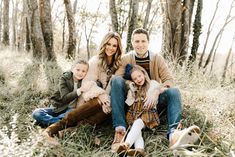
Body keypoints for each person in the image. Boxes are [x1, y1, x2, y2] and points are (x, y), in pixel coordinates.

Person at [111, 28, 200, 151]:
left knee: (174, 92)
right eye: (137, 41)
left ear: (148, 42)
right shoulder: (126, 59)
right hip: (132, 101)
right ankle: (120, 130)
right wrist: (131, 85)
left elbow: (169, 80)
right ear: (132, 42)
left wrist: (157, 91)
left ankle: (174, 134)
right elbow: (117, 79)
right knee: (115, 81)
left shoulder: (157, 58)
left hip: (152, 101)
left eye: (143, 41)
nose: (140, 45)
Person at [43, 32, 124, 138]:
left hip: (106, 102)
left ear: (118, 48)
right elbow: (88, 84)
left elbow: (116, 84)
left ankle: (69, 131)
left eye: (114, 45)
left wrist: (106, 102)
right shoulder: (95, 61)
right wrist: (101, 95)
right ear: (104, 44)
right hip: (88, 99)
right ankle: (54, 127)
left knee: (108, 109)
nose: (111, 48)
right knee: (98, 102)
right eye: (108, 44)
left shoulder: (118, 63)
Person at [116, 64, 161, 157]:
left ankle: (126, 144)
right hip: (134, 113)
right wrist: (131, 93)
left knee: (138, 123)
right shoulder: (134, 88)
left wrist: (156, 92)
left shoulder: (152, 84)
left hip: (148, 113)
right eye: (135, 79)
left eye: (139, 76)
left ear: (144, 74)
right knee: (136, 130)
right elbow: (129, 103)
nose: (138, 79)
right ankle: (139, 150)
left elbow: (161, 88)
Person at [32, 59, 89, 127]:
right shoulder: (64, 78)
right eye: (78, 70)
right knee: (36, 113)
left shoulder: (85, 81)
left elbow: (97, 83)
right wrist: (79, 91)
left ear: (86, 73)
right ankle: (57, 123)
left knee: (70, 115)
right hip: (58, 107)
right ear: (72, 69)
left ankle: (47, 122)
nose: (80, 73)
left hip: (70, 110)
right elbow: (65, 98)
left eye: (83, 71)